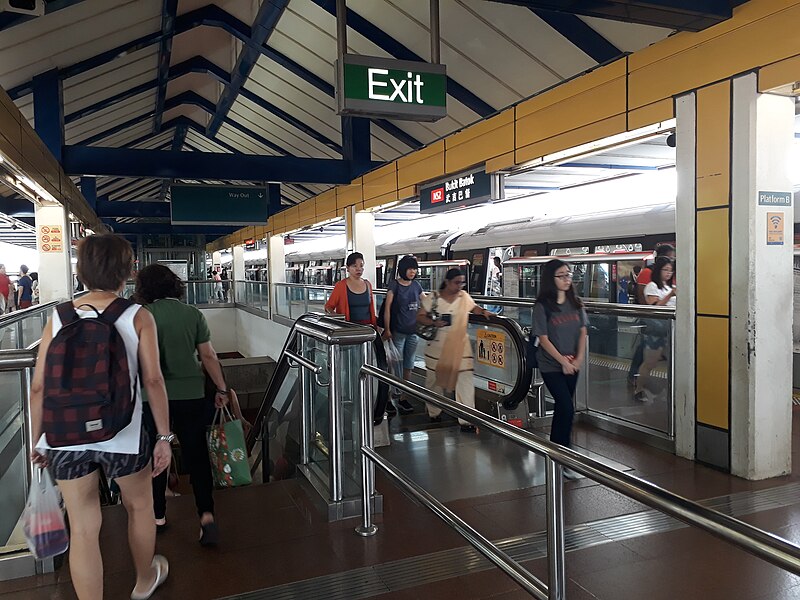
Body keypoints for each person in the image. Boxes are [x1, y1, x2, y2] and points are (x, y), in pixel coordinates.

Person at [28, 235, 173, 600]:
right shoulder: (138, 316)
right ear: (127, 271)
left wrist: (38, 439)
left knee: (83, 526)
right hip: (123, 430)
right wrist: (165, 437)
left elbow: (39, 388)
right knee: (139, 506)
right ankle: (143, 582)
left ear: (82, 271)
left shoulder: (58, 318)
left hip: (66, 434)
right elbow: (153, 380)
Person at [134, 264, 230, 546]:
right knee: (197, 456)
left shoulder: (143, 315)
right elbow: (208, 356)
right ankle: (207, 517)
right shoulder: (193, 314)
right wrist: (222, 388)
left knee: (156, 455)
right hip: (190, 392)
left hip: (151, 397)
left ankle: (158, 516)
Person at [416, 268, 493, 432]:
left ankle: (467, 419)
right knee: (434, 381)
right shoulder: (434, 297)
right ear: (448, 282)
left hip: (460, 346)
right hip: (437, 347)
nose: (460, 286)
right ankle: (434, 411)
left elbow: (474, 308)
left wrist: (484, 312)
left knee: (465, 381)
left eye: (462, 282)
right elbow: (420, 316)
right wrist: (434, 323)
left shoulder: (464, 297)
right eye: (457, 282)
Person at [533, 259, 588, 479]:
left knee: (564, 409)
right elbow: (543, 338)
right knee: (565, 406)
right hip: (551, 365)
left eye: (569, 274)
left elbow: (583, 332)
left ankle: (557, 451)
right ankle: (563, 455)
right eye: (562, 275)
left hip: (573, 364)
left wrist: (578, 360)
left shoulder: (576, 302)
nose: (567, 279)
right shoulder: (542, 306)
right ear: (551, 279)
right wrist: (563, 362)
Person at [381, 255, 423, 415]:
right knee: (394, 366)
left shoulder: (417, 286)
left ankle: (403, 397)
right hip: (397, 332)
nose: (413, 271)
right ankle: (390, 398)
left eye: (415, 269)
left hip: (413, 332)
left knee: (408, 365)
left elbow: (424, 301)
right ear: (402, 269)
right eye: (410, 268)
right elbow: (387, 309)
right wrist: (387, 329)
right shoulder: (395, 285)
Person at [635, 256, 676, 402]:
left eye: (670, 270)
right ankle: (639, 389)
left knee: (674, 362)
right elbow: (654, 307)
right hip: (657, 332)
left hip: (670, 331)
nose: (668, 273)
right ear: (658, 270)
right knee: (650, 363)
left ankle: (669, 390)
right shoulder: (652, 286)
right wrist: (671, 295)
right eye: (665, 270)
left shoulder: (668, 287)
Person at [324, 252, 377, 326]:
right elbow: (328, 306)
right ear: (347, 268)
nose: (358, 269)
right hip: (349, 328)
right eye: (354, 266)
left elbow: (371, 309)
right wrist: (336, 318)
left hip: (368, 328)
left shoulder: (367, 284)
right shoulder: (341, 285)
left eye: (361, 266)